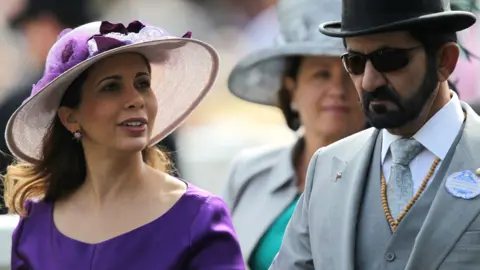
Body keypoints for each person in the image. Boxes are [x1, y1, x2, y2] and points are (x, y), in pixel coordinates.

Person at [4, 20, 245, 269]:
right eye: (111, 87)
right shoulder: (37, 223)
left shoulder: (199, 216)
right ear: (70, 117)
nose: (136, 99)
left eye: (143, 84)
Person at [270, 0, 480, 269]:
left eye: (389, 59)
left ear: (444, 61)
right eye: (355, 62)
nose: (369, 81)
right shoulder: (326, 166)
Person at [222, 0, 366, 268]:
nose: (337, 89)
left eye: (350, 73)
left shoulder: (389, 178)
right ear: (291, 90)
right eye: (321, 75)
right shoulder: (249, 173)